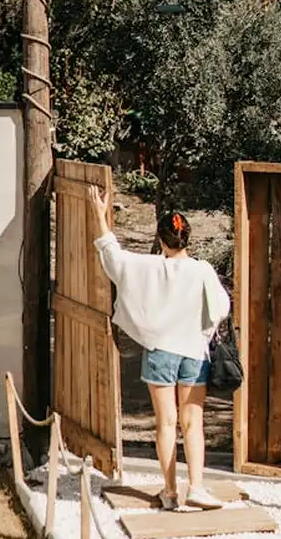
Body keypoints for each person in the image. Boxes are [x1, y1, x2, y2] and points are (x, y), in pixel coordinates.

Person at [87, 185, 231, 511]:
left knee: (166, 422)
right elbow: (222, 306)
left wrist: (99, 212)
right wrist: (203, 331)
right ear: (187, 239)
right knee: (192, 422)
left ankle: (170, 492)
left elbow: (112, 256)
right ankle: (196, 486)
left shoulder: (148, 267)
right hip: (194, 353)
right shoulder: (203, 270)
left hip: (160, 352)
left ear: (162, 239)